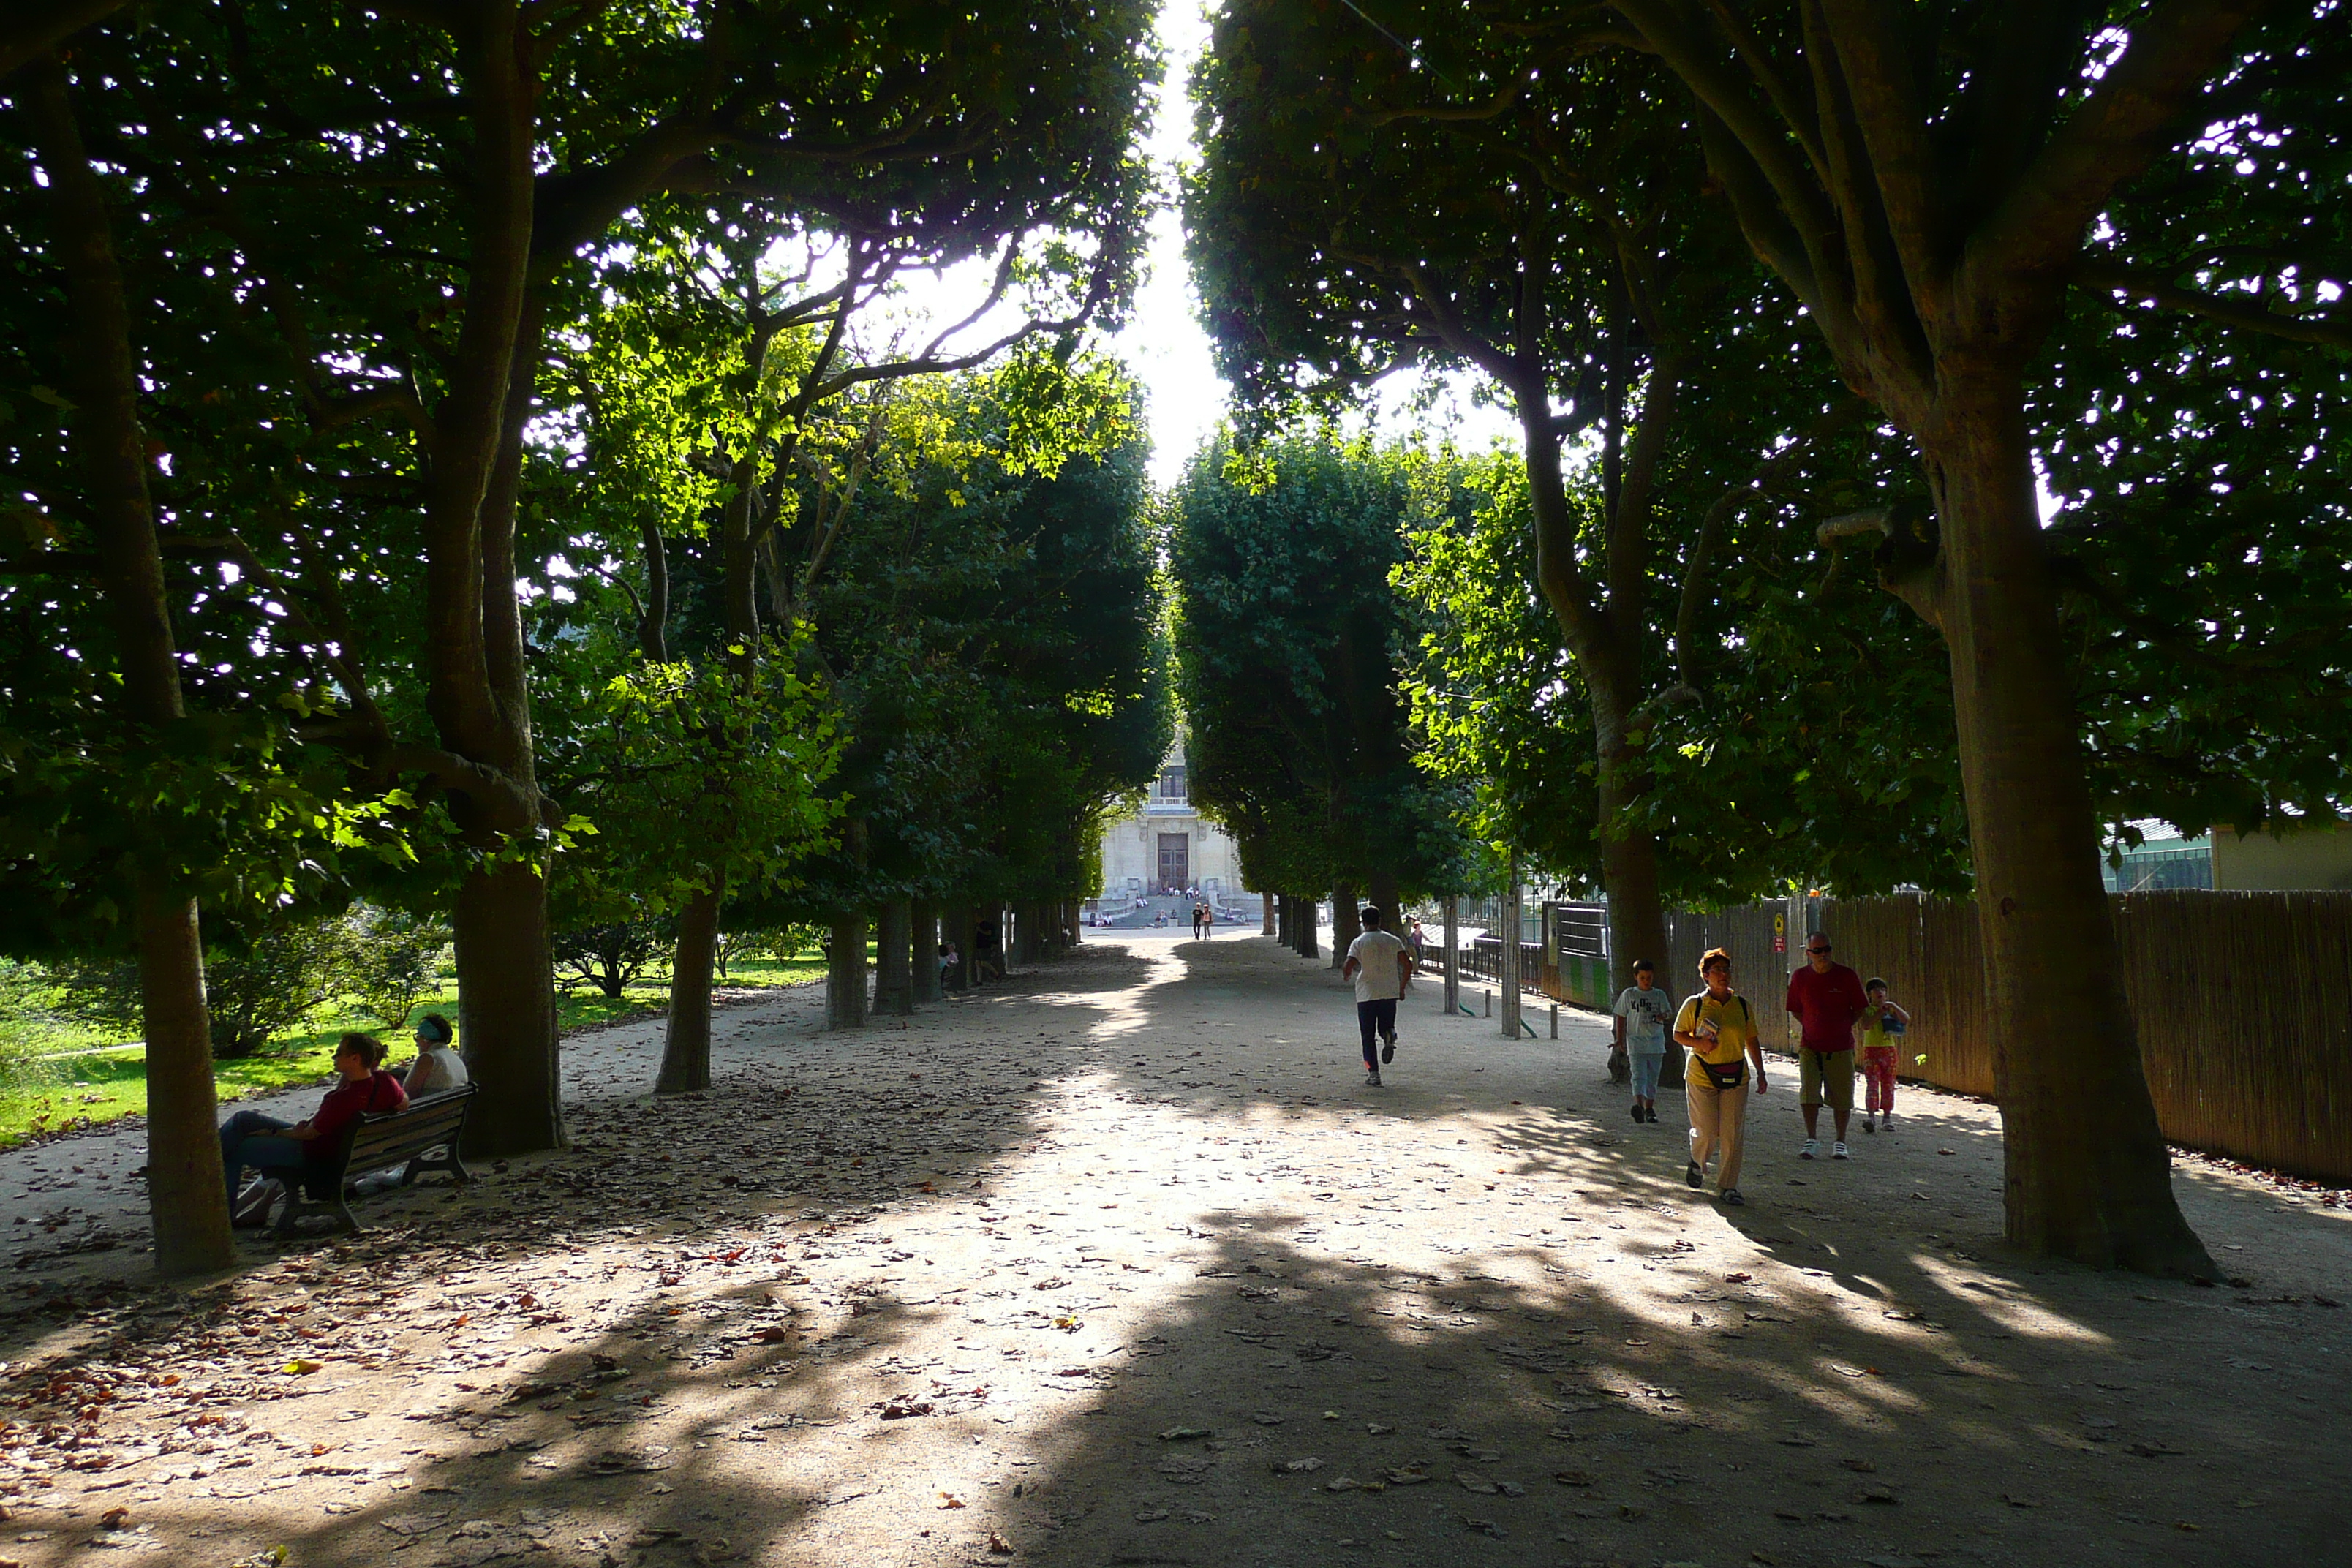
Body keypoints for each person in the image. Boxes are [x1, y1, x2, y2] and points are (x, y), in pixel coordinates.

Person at [219, 1033, 408, 1226]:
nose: (334, 1057)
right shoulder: (384, 1081)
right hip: (340, 1149)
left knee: (229, 1152)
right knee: (245, 1119)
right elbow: (404, 1103)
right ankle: (215, 1175)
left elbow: (309, 1134)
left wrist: (271, 1133)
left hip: (315, 1155)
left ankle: (220, 1214)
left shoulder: (343, 1099)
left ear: (355, 1059)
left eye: (339, 1053)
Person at [1675, 947, 1767, 1206]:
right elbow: (1678, 1034)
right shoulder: (1695, 1004)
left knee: (1732, 1134)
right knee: (1706, 1129)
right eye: (1717, 970)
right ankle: (1698, 1161)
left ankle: (1728, 1187)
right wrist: (1699, 1044)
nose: (1723, 975)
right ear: (1705, 975)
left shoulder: (1742, 1005)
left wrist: (1761, 1072)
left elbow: (1751, 1039)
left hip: (1736, 1076)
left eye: (1726, 970)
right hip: (1702, 1075)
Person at [1786, 932, 1869, 1160]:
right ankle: (1811, 1138)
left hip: (1841, 1046)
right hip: (1809, 1046)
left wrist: (1842, 1026)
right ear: (1808, 953)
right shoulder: (1800, 977)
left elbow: (1860, 1008)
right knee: (1809, 1093)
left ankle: (1840, 1142)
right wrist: (1812, 1025)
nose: (1823, 955)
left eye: (1827, 949)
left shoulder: (1846, 976)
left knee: (1843, 1096)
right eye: (1818, 951)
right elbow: (1794, 1008)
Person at [1340, 905, 1415, 1087]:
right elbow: (1407, 964)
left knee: (1367, 1034)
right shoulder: (1393, 940)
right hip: (1389, 990)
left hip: (1367, 992)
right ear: (1380, 920)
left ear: (1363, 922)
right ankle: (1390, 1035)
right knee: (1386, 1025)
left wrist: (1347, 974)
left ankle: (1373, 1073)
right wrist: (1402, 987)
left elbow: (1348, 965)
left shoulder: (1359, 942)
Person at [1611, 960, 1676, 1123]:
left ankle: (1649, 1107)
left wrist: (1663, 1016)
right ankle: (1638, 1105)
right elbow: (1621, 1015)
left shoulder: (1659, 995)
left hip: (1655, 1042)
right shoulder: (1629, 994)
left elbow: (1669, 1013)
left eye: (1649, 978)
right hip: (1636, 1042)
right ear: (1636, 977)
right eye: (1643, 978)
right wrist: (1620, 1039)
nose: (1646, 981)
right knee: (1638, 1075)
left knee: (1652, 1077)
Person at [1858, 978, 1911, 1132]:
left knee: (1888, 1084)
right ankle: (1871, 1117)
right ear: (1869, 994)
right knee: (1872, 1084)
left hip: (1889, 1050)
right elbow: (1866, 1025)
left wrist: (1894, 1007)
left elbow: (1906, 1019)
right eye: (1875, 990)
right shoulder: (1866, 1010)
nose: (1879, 992)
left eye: (1882, 990)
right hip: (1872, 1050)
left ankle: (1887, 1118)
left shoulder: (1891, 1009)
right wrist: (1880, 1013)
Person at [396, 1013, 469, 1098]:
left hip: (430, 1111)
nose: (416, 1043)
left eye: (418, 1037)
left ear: (425, 1039)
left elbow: (407, 1095)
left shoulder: (428, 1059)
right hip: (452, 1110)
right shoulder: (454, 1058)